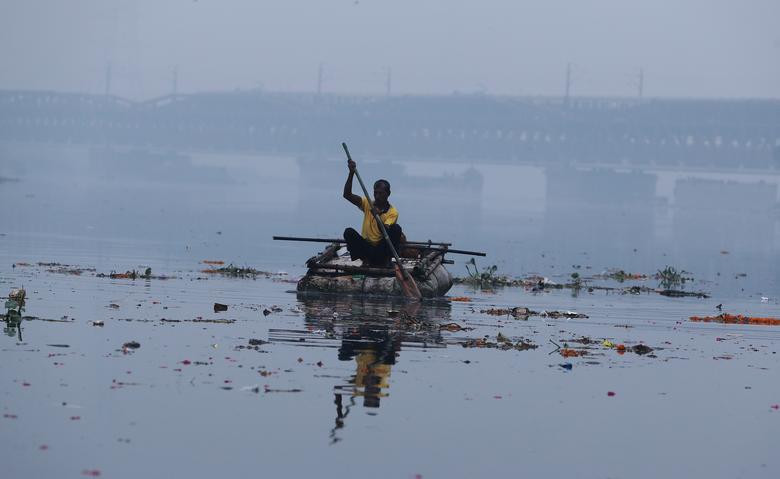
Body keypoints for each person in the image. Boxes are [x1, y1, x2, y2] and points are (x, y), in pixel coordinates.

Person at [342, 157, 403, 266]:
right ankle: (366, 260)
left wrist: (377, 215)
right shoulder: (367, 203)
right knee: (348, 232)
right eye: (375, 193)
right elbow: (347, 195)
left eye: (381, 193)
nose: (377, 196)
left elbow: (385, 232)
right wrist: (351, 173)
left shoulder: (393, 212)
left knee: (396, 229)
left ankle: (386, 261)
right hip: (367, 249)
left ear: (388, 194)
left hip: (381, 249)